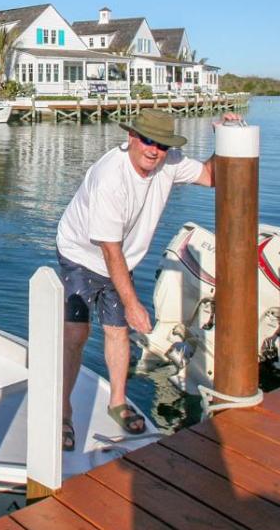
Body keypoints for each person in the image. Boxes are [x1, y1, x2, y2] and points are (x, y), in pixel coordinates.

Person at [55, 110, 232, 450]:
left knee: (118, 330)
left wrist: (224, 138)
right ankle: (63, 410)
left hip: (122, 257)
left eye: (162, 144)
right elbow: (109, 250)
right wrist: (133, 303)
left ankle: (117, 402)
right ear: (132, 138)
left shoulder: (169, 162)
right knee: (77, 333)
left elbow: (211, 176)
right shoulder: (111, 178)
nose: (154, 150)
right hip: (81, 253)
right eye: (148, 140)